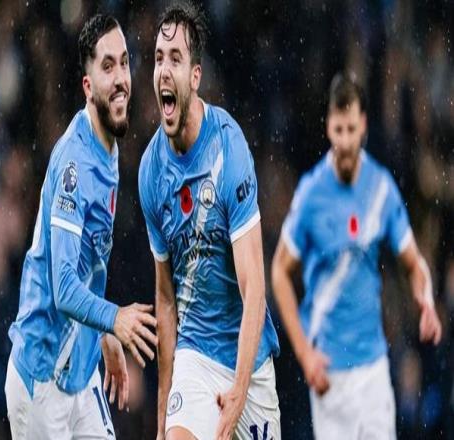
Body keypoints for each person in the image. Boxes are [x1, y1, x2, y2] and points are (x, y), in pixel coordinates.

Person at [4, 14, 158, 439]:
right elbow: (64, 287)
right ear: (88, 86)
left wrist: (103, 336)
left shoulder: (107, 149)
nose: (121, 78)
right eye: (108, 66)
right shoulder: (75, 163)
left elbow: (88, 265)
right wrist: (114, 320)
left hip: (80, 373)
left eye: (124, 63)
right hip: (42, 379)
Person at [271, 72, 442, 439]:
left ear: (363, 125)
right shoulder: (311, 194)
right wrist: (303, 353)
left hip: (374, 371)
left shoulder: (381, 189)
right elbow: (279, 271)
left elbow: (414, 263)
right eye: (338, 130)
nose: (345, 141)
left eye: (351, 129)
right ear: (327, 128)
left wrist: (426, 299)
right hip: (329, 373)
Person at [138, 2, 281, 439]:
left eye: (175, 59)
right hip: (195, 355)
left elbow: (254, 287)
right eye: (158, 59)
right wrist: (162, 416)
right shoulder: (150, 172)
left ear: (195, 76)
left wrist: (239, 390)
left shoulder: (229, 148)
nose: (164, 70)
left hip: (248, 361)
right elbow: (166, 300)